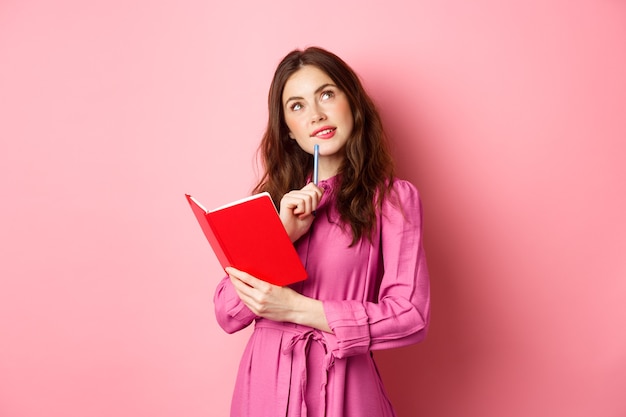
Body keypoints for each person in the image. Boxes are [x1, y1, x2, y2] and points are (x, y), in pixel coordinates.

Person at [213, 46, 430, 417]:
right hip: (264, 390)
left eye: (327, 94)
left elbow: (410, 316)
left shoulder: (392, 200)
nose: (316, 115)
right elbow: (228, 312)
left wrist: (299, 309)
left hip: (345, 387)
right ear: (287, 131)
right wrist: (281, 235)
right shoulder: (268, 205)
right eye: (297, 106)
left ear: (353, 104)